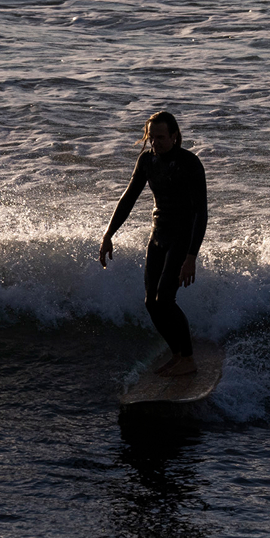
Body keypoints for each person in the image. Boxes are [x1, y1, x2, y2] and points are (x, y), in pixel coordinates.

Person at [98, 111, 207, 376]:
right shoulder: (147, 161)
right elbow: (128, 198)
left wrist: (191, 256)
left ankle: (189, 359)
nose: (155, 142)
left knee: (166, 300)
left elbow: (201, 212)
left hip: (182, 238)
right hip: (158, 236)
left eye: (160, 137)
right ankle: (178, 354)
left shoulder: (189, 163)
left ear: (174, 136)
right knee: (151, 303)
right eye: (151, 137)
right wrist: (108, 234)